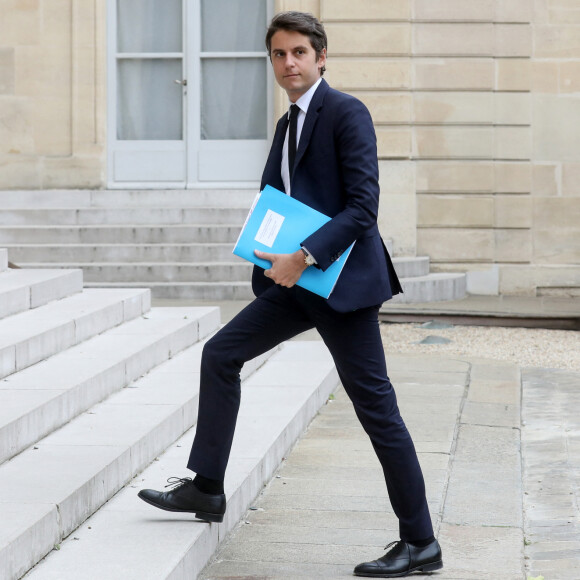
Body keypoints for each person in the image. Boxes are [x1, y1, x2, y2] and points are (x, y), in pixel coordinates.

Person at [138, 11, 443, 578]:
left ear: (321, 56)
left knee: (377, 410)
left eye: (299, 52)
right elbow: (274, 200)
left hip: (341, 285)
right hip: (294, 283)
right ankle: (206, 487)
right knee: (221, 354)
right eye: (279, 55)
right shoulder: (286, 124)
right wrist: (265, 251)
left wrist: (303, 255)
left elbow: (363, 208)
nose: (289, 64)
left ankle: (421, 541)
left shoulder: (347, 113)